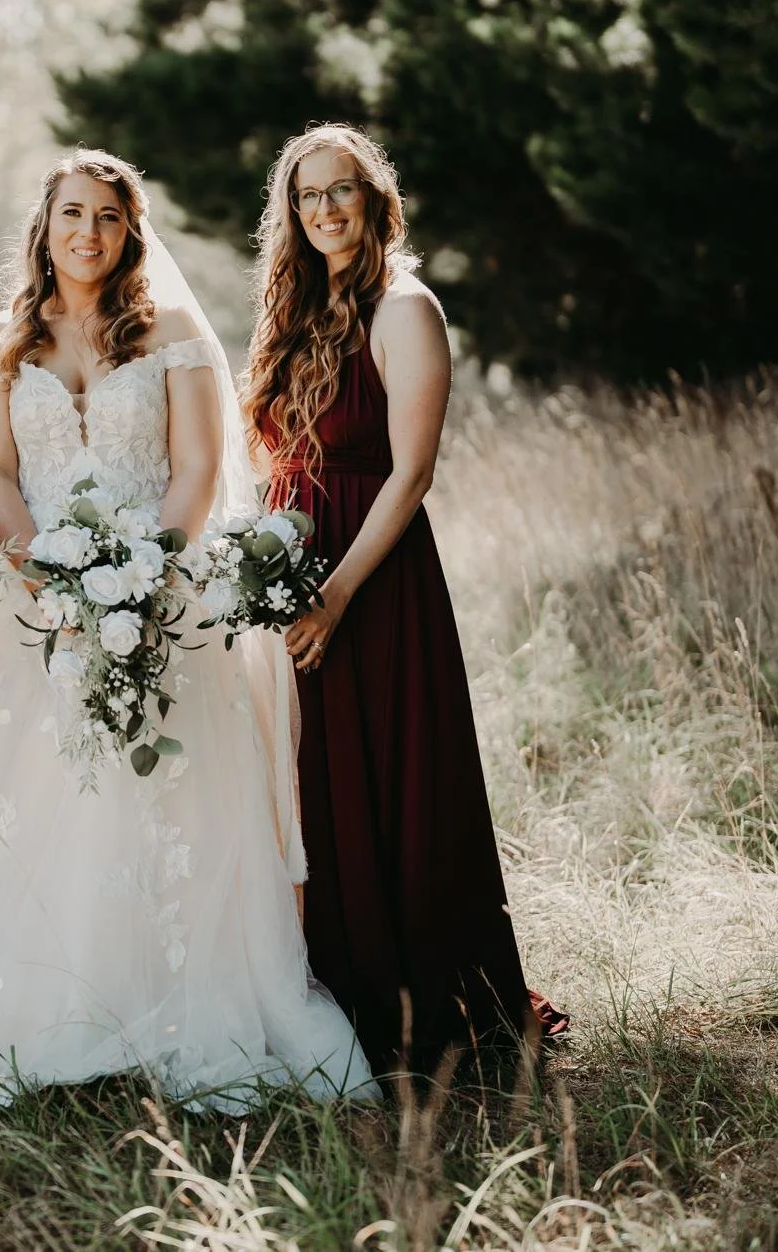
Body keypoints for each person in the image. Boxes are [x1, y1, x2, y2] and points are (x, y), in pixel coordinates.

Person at [0, 150, 373, 1110]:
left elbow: (195, 470)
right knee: (26, 806)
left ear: (131, 230)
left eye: (109, 217)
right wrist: (56, 584)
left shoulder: (174, 333)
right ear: (45, 224)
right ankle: (42, 1007)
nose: (88, 234)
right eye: (73, 214)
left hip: (160, 594)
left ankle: (163, 1003)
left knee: (168, 803)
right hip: (36, 607)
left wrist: (138, 583)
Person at [243, 123, 568, 1072]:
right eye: (307, 197)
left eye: (341, 190)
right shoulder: (302, 310)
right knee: (315, 785)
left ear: (374, 198)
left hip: (372, 581)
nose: (325, 210)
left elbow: (411, 473)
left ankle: (430, 1006)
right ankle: (336, 989)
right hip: (296, 572)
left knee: (393, 781)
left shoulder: (403, 308)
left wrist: (336, 596)